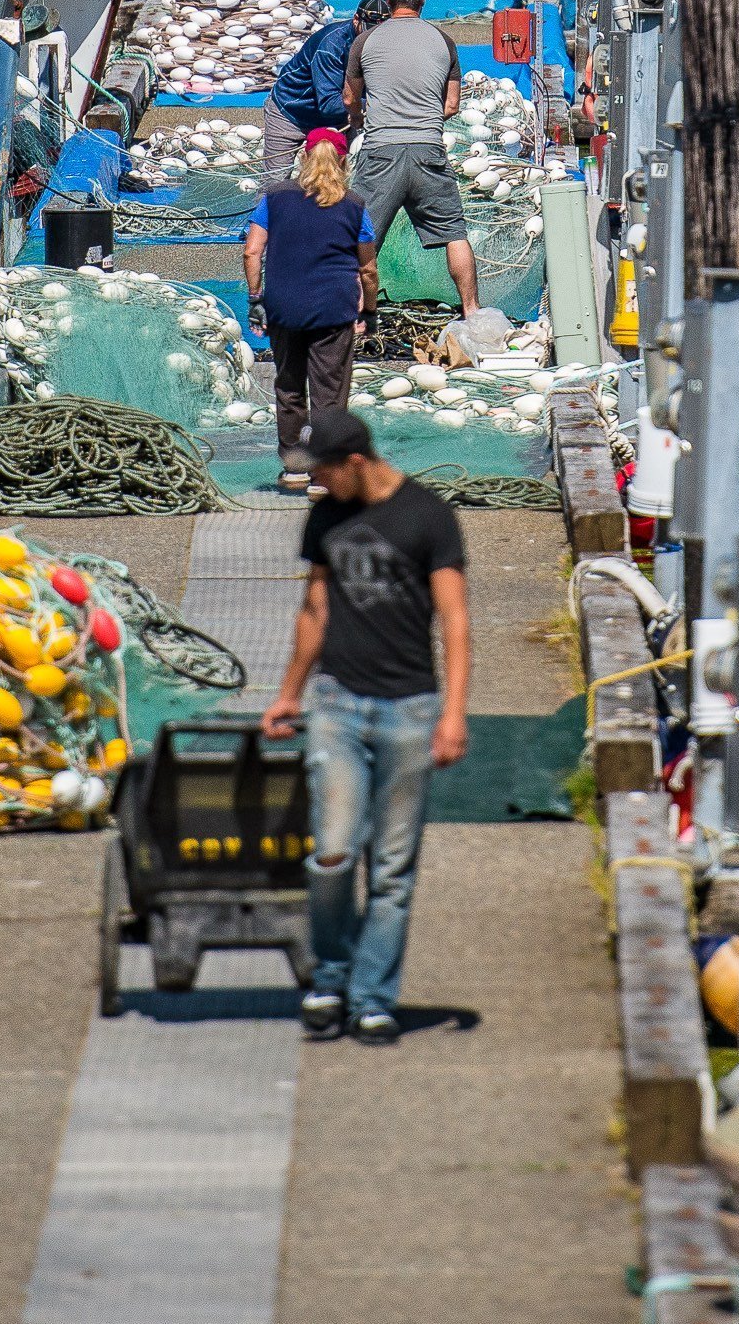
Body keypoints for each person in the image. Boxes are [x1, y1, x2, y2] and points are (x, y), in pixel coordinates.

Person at [258, 410, 468, 1043]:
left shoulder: (427, 517)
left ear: (355, 463)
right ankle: (331, 977)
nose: (318, 487)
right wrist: (289, 692)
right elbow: (314, 608)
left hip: (410, 708)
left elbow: (454, 621)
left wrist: (453, 715)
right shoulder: (326, 517)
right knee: (332, 853)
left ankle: (372, 996)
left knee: (392, 868)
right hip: (337, 705)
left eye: (324, 473)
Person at [343, 0, 477, 313]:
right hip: (428, 150)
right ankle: (472, 311)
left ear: (388, 0)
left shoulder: (365, 41)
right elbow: (451, 105)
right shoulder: (443, 41)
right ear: (423, 0)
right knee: (454, 232)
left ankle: (354, 318)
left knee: (358, 235)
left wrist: (359, 119)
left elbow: (348, 98)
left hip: (381, 152)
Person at [243, 131, 371, 494]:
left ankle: (295, 468)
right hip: (333, 308)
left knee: (288, 385)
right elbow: (369, 269)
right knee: (329, 392)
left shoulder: (275, 197)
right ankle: (326, 474)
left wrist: (256, 300)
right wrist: (370, 311)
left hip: (283, 305)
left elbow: (252, 252)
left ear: (303, 156)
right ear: (344, 162)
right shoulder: (355, 205)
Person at [261, 0, 368, 188]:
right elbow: (328, 104)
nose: (370, 36)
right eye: (367, 29)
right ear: (356, 20)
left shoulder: (380, 44)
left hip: (339, 118)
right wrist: (369, 104)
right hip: (290, 113)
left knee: (342, 183)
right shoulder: (331, 46)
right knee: (275, 187)